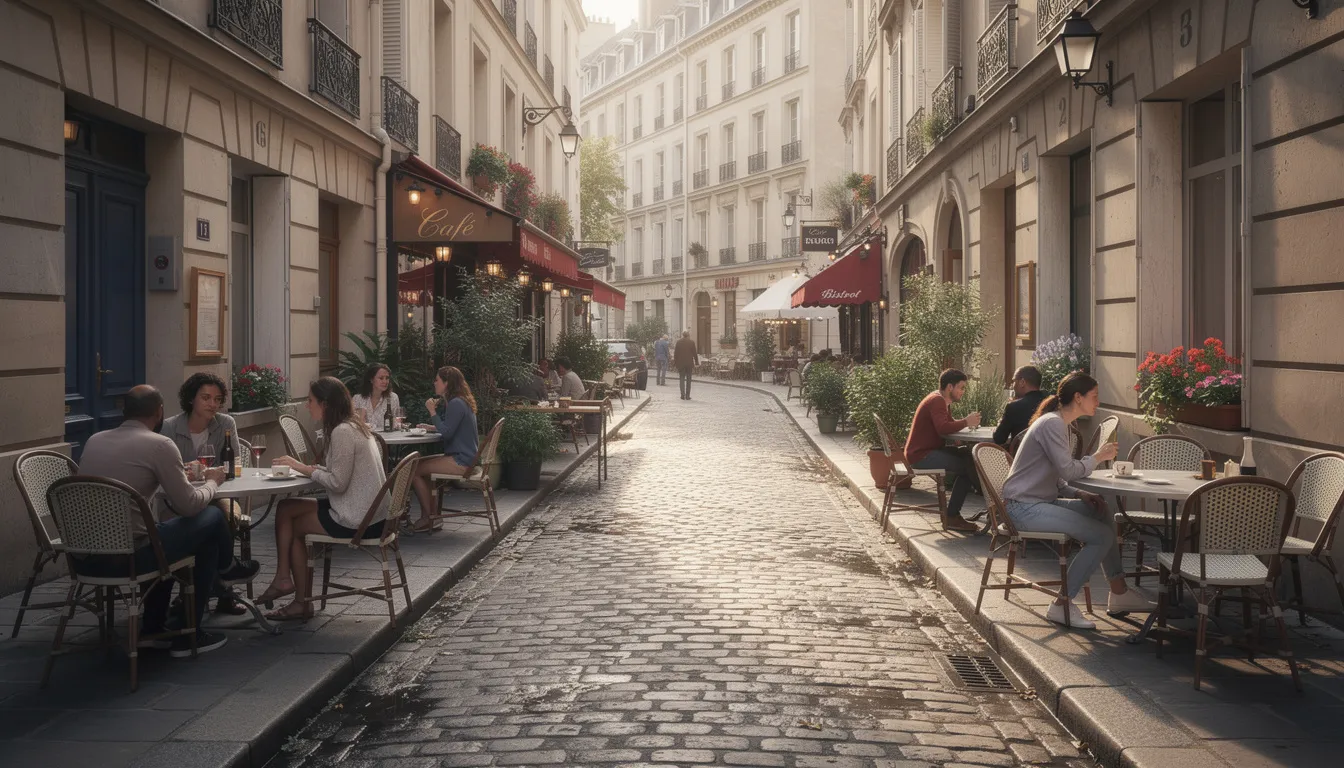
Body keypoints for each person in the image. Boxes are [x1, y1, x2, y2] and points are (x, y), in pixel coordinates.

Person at [77, 385, 258, 656]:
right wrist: (211, 482)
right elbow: (189, 506)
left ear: (124, 411)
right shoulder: (160, 444)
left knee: (177, 535)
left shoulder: (95, 440)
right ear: (159, 411)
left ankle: (154, 628)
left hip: (86, 556)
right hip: (134, 557)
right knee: (211, 517)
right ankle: (218, 583)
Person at [1001, 372, 1150, 629]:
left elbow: (1058, 478)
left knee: (1103, 510)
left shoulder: (1061, 424)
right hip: (1023, 507)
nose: (1097, 402)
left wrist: (1080, 494)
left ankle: (1119, 592)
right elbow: (1069, 470)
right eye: (1094, 397)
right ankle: (1062, 605)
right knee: (1102, 536)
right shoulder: (1053, 424)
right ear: (1078, 397)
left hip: (1039, 502)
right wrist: (1098, 456)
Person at [257, 377, 389, 620]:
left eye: (310, 401)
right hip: (370, 510)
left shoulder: (343, 432)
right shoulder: (353, 425)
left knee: (295, 527)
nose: (307, 406)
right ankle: (283, 579)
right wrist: (312, 469)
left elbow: (338, 483)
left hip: (359, 518)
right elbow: (341, 475)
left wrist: (303, 468)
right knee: (286, 508)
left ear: (325, 404)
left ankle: (300, 601)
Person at [160, 372, 246, 615]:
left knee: (228, 517)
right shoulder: (168, 427)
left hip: (217, 495)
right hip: (178, 499)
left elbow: (235, 463)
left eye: (217, 399)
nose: (212, 404)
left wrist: (216, 474)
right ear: (191, 399)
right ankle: (205, 588)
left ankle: (219, 591)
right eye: (206, 398)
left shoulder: (226, 424)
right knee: (186, 526)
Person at [904, 369, 984, 533]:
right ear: (949, 387)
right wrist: (966, 422)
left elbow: (947, 424)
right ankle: (955, 515)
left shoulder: (941, 400)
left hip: (926, 451)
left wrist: (961, 430)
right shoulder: (937, 401)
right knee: (969, 466)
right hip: (921, 456)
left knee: (969, 457)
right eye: (961, 388)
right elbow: (942, 428)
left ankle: (966, 506)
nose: (963, 392)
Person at [409, 366, 480, 533]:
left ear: (446, 383)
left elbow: (447, 434)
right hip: (464, 456)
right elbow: (450, 428)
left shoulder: (456, 403)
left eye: (437, 380)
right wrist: (432, 427)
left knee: (414, 470)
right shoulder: (460, 400)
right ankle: (431, 516)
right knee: (418, 465)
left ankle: (430, 518)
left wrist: (432, 411)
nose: (434, 383)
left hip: (461, 460)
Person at [993, 365, 1047, 448]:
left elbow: (999, 439)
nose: (1012, 386)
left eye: (1014, 381)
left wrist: (999, 424)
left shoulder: (1014, 407)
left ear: (1022, 382)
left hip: (1022, 458)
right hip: (1051, 457)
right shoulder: (1052, 403)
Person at [351, 363, 401, 427]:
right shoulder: (357, 399)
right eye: (381, 378)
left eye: (387, 378)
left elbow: (397, 424)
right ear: (371, 380)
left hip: (387, 436)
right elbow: (352, 425)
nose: (385, 381)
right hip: (364, 436)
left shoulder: (393, 398)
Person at [673, 331, 698, 400]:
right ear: (688, 335)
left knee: (681, 379)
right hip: (689, 363)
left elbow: (675, 354)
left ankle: (682, 395)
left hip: (680, 363)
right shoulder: (691, 342)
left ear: (682, 335)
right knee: (689, 379)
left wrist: (675, 363)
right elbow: (694, 353)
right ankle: (687, 395)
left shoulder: (678, 342)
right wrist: (696, 362)